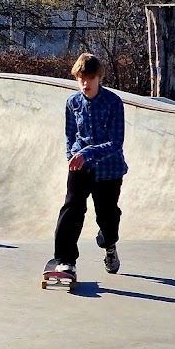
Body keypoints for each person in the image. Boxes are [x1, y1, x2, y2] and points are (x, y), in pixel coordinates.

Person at [51, 52, 127, 278]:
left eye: (90, 78)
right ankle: (65, 259)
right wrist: (70, 155)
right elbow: (69, 133)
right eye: (81, 78)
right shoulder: (72, 103)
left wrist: (86, 153)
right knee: (72, 207)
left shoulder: (113, 102)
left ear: (99, 78)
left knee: (107, 215)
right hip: (80, 166)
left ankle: (109, 245)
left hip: (109, 168)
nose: (86, 83)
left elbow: (116, 142)